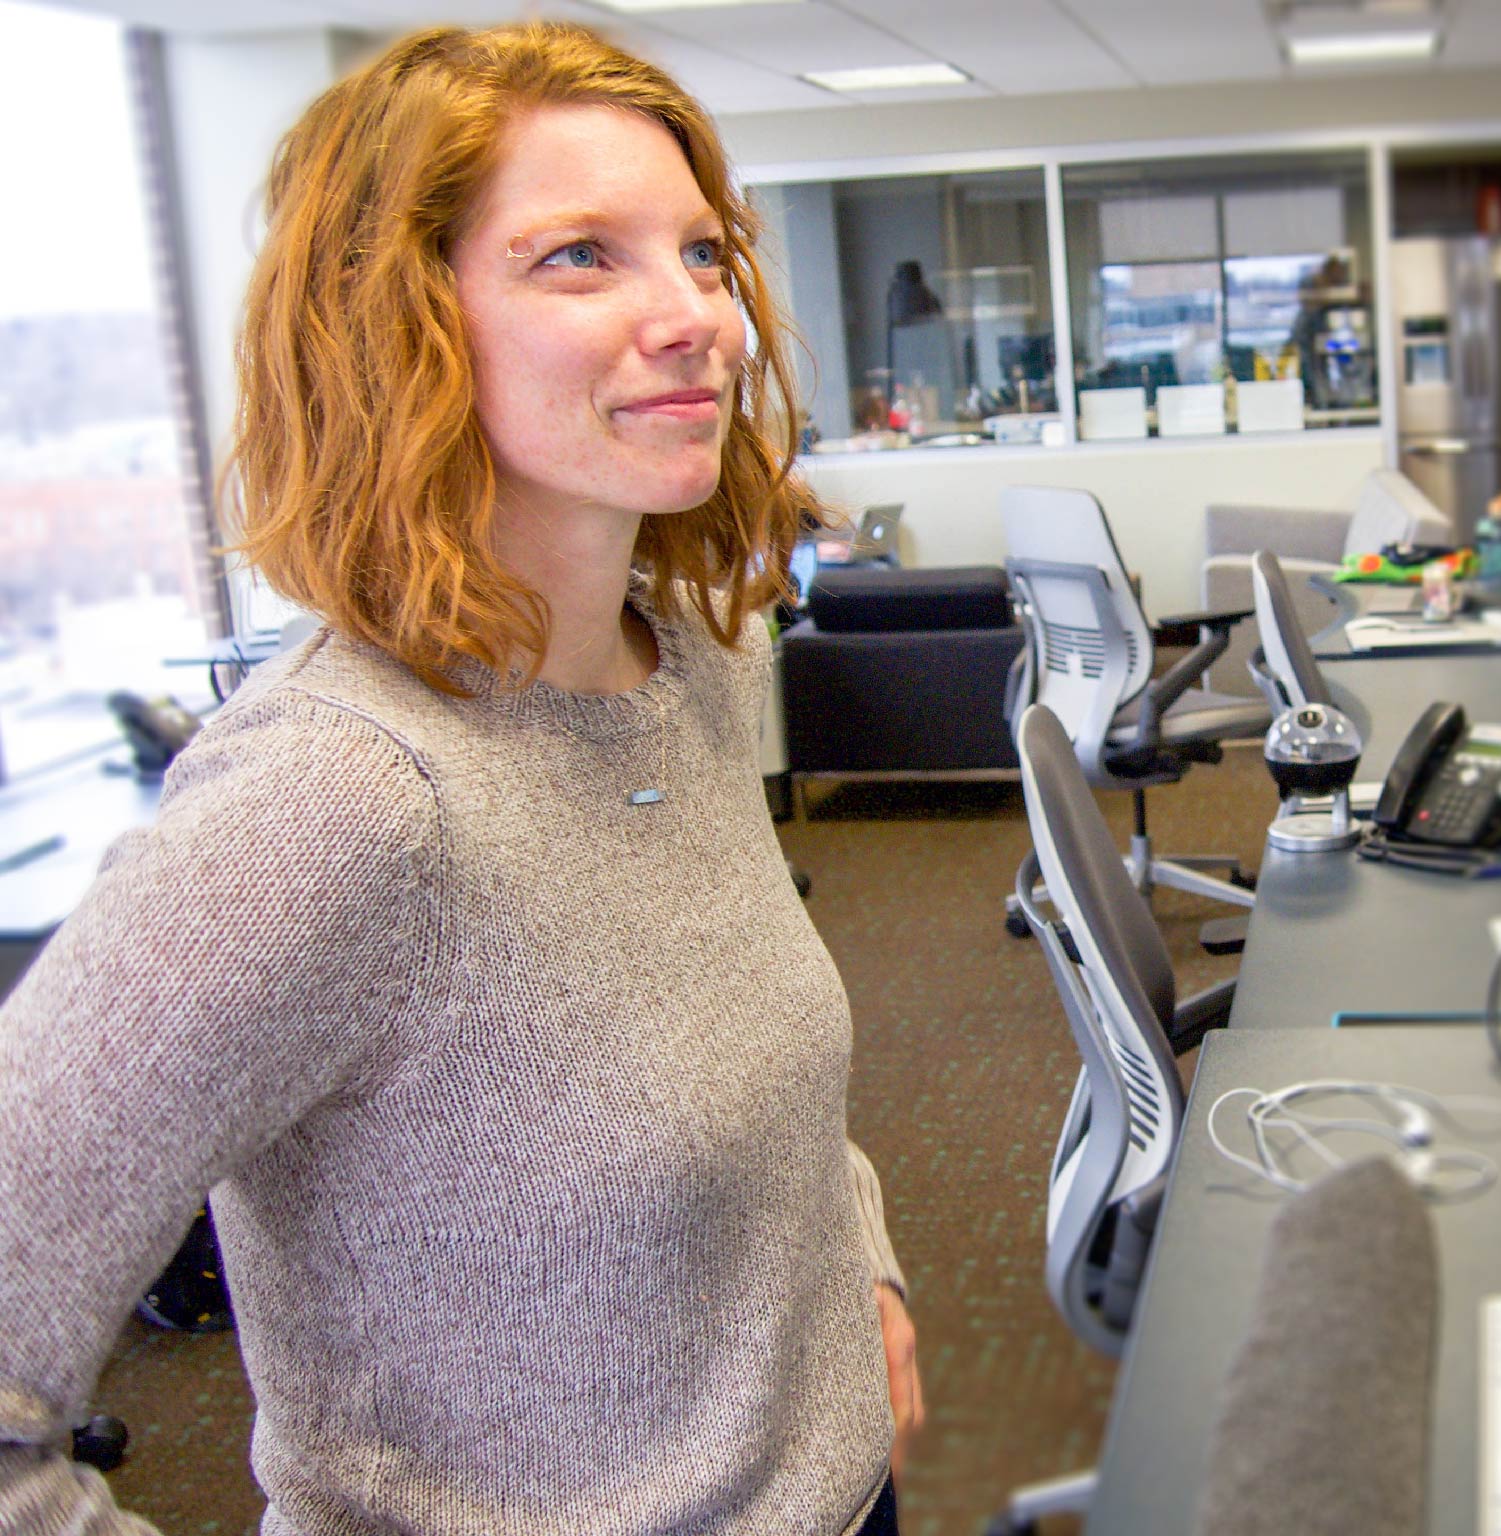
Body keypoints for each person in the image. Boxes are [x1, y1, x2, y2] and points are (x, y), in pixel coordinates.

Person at [0, 23, 920, 1536]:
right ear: (396, 322)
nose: (696, 314)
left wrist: (856, 1269)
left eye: (702, 251)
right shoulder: (341, 800)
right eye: (579, 257)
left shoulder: (677, 665)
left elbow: (759, 1074)